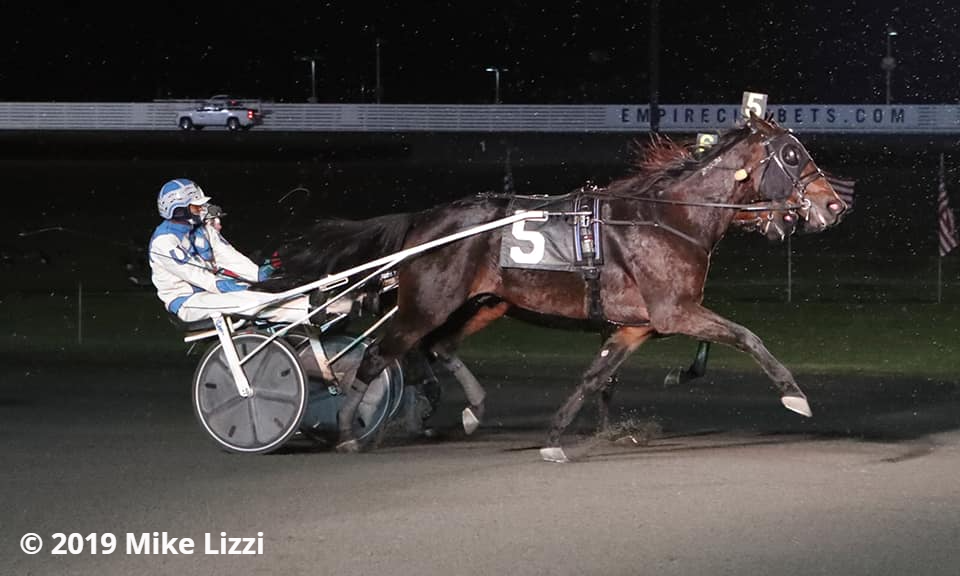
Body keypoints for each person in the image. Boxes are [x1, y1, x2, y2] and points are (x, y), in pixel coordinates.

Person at [149, 178, 310, 324]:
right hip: (188, 302)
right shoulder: (163, 242)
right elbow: (199, 277)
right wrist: (239, 287)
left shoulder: (203, 229)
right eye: (196, 206)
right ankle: (309, 312)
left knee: (270, 290)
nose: (202, 208)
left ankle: (310, 305)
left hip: (211, 292)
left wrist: (258, 275)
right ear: (179, 210)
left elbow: (228, 256)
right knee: (255, 301)